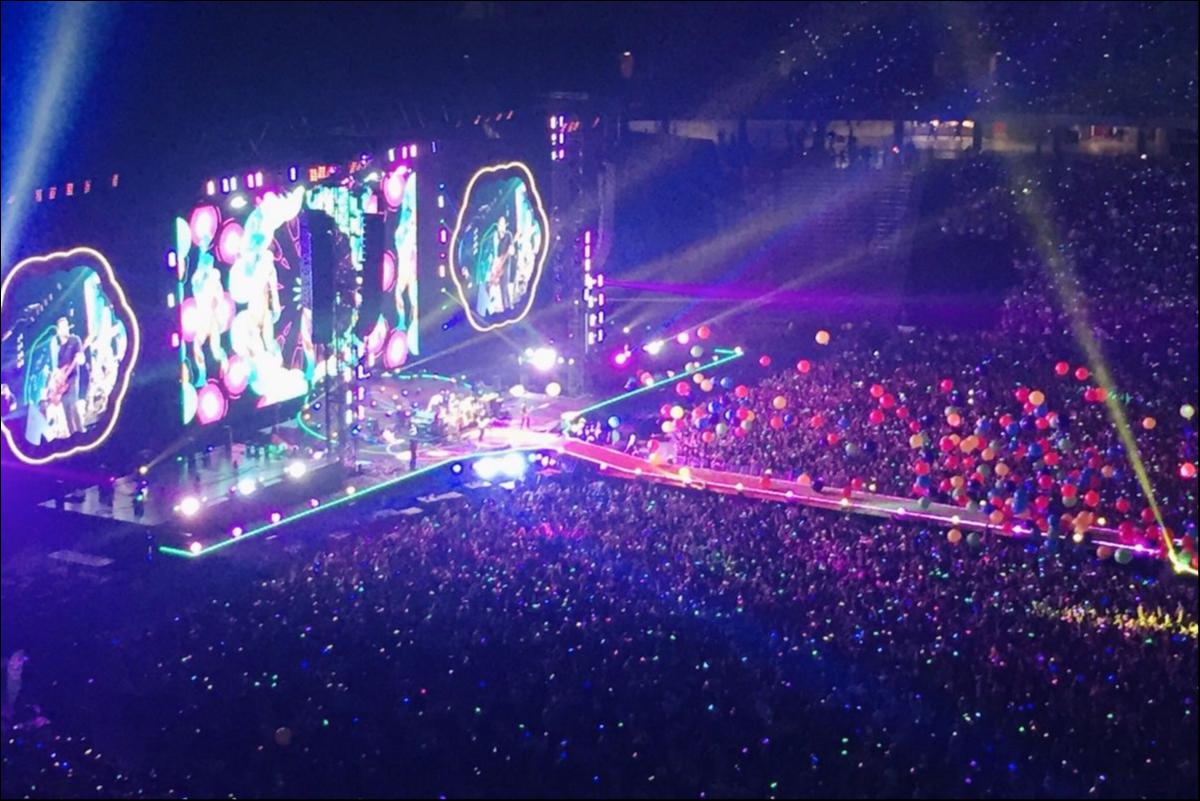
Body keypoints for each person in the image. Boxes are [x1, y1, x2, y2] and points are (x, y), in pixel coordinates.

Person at [49, 317, 86, 437]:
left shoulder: (74, 340)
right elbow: (58, 368)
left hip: (73, 377)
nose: (66, 329)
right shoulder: (59, 349)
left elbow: (81, 358)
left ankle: (82, 433)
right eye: (62, 327)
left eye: (66, 326)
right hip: (63, 383)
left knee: (73, 405)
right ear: (58, 331)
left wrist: (80, 359)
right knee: (66, 410)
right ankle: (73, 436)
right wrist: (56, 377)